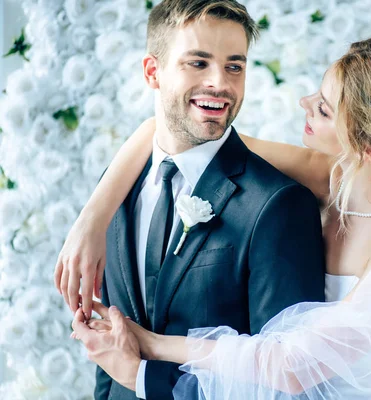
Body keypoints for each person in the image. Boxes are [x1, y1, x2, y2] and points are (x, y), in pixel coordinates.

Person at [69, 37, 371, 399]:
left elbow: (293, 367)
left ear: (369, 147)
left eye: (324, 109)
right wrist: (91, 221)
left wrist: (146, 347)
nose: (305, 104)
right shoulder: (332, 174)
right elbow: (167, 131)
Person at [54, 1, 327, 399]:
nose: (220, 83)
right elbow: (112, 348)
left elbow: (283, 384)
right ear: (153, 72)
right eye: (198, 63)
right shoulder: (115, 188)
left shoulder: (279, 205)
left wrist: (144, 381)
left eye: (235, 66)